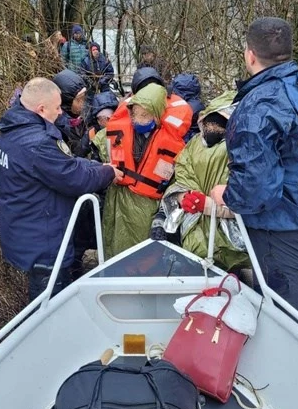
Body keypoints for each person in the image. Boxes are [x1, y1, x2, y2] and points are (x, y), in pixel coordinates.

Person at [209, 17, 298, 320]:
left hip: (283, 227)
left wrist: (227, 195)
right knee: (288, 298)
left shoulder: (256, 106)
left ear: (250, 55)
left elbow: (257, 191)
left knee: (288, 316)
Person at [0, 78, 122, 302]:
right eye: (56, 108)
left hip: (23, 229)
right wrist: (108, 173)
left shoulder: (12, 129)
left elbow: (63, 165)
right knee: (49, 303)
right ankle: (48, 335)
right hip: (43, 239)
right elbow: (73, 177)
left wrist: (95, 166)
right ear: (41, 109)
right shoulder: (38, 142)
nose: (60, 114)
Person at [150, 91, 249, 272]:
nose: (213, 129)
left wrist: (207, 205)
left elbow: (249, 198)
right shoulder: (195, 144)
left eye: (220, 123)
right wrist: (182, 196)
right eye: (210, 122)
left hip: (227, 245)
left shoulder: (243, 148)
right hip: (190, 233)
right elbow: (181, 176)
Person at [101, 83, 192, 257]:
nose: (138, 119)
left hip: (149, 206)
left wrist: (162, 215)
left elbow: (177, 183)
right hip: (117, 199)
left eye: (145, 114)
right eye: (135, 113)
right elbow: (102, 151)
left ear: (157, 115)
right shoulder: (117, 131)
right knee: (116, 250)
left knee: (144, 256)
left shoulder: (175, 145)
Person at [52, 69, 90, 158]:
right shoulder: (59, 126)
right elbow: (72, 156)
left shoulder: (75, 116)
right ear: (66, 101)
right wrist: (89, 137)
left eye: (83, 98)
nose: (82, 103)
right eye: (78, 100)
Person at [170, 73, 205, 142]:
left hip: (186, 141)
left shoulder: (189, 108)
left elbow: (176, 129)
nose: (172, 93)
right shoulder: (196, 103)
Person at [88, 90, 119, 162]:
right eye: (101, 119)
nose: (105, 121)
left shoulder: (124, 129)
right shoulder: (92, 133)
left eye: (109, 118)